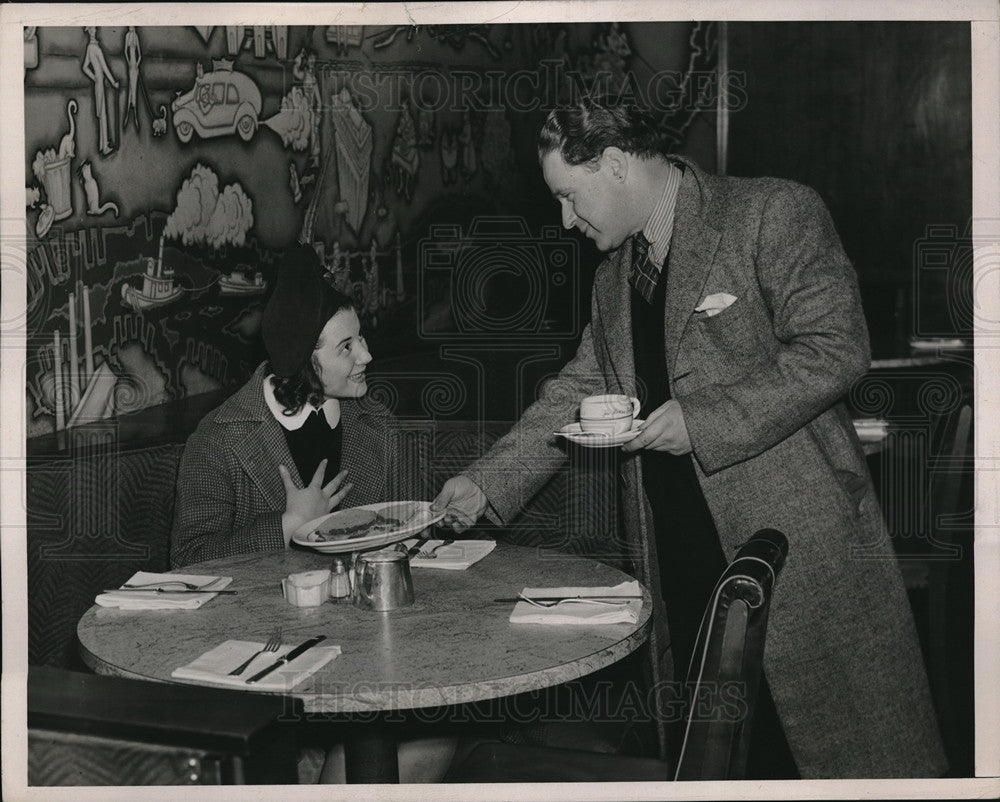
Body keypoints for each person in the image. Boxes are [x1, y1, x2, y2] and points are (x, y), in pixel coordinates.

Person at [432, 96, 947, 779]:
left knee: (835, 764)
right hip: (683, 565)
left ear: (614, 164)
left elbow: (836, 348)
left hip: (797, 562)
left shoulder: (771, 212)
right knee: (724, 764)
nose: (565, 220)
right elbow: (577, 389)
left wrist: (702, 420)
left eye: (568, 196)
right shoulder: (614, 278)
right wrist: (485, 483)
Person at [170, 244, 455, 782]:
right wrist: (287, 527)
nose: (367, 356)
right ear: (306, 358)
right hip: (270, 676)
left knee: (441, 733)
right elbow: (187, 563)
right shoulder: (220, 438)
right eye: (347, 346)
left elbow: (414, 539)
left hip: (376, 661)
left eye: (362, 338)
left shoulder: (378, 425)